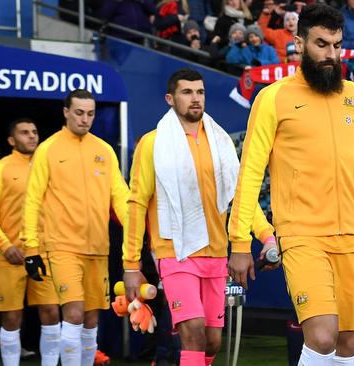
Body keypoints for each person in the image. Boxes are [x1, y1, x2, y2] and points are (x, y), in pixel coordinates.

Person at [227, 4, 354, 365]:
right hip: (302, 235)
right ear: (299, 43)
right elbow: (250, 172)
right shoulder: (273, 98)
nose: (331, 55)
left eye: (337, 45)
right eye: (321, 44)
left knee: (347, 344)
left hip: (353, 236)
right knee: (322, 336)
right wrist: (239, 241)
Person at [122, 68, 275, 366]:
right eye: (187, 92)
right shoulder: (152, 144)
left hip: (217, 254)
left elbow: (240, 197)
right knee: (192, 332)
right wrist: (131, 264)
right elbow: (136, 203)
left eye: (200, 92)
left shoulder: (221, 142)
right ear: (170, 98)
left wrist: (266, 234)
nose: (195, 99)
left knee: (212, 339)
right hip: (175, 253)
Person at [21, 89, 130, 366]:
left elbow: (120, 196)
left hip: (98, 247)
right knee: (73, 314)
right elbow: (32, 201)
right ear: (66, 112)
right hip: (62, 246)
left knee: (91, 319)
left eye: (90, 114)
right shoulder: (47, 149)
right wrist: (31, 249)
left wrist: (137, 231)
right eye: (79, 113)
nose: (85, 119)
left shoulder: (104, 150)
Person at [0, 118, 62, 366]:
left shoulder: (48, 167)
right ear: (11, 140)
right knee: (12, 317)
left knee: (51, 313)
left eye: (35, 132)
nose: (31, 136)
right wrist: (5, 247)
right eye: (24, 132)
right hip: (11, 256)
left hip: (44, 254)